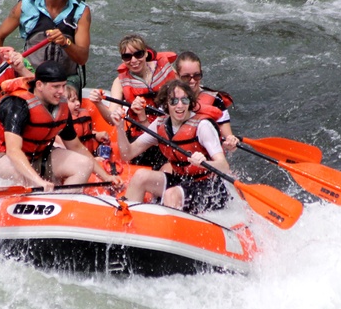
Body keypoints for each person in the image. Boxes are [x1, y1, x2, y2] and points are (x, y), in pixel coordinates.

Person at [0, 61, 120, 192]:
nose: (62, 92)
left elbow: (76, 147)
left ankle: (63, 203)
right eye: (56, 87)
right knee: (21, 176)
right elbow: (13, 151)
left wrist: (106, 177)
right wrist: (38, 181)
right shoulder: (17, 105)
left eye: (63, 86)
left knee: (84, 164)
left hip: (37, 156)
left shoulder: (60, 107)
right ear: (39, 85)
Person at [113, 79, 232, 214]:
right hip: (181, 180)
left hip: (209, 187)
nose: (180, 106)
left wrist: (204, 163)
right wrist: (120, 128)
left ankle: (169, 231)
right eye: (174, 101)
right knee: (140, 176)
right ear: (166, 104)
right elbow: (127, 154)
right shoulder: (160, 124)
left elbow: (224, 166)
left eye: (184, 100)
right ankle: (129, 222)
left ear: (190, 102)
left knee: (171, 194)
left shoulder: (203, 126)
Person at [87, 34, 177, 169]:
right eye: (127, 57)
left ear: (146, 53)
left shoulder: (165, 69)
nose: (133, 60)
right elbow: (112, 118)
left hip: (169, 130)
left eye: (138, 54)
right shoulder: (120, 82)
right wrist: (98, 103)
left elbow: (185, 97)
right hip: (141, 135)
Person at [173, 51, 239, 152]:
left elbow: (228, 138)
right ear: (177, 76)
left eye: (196, 75)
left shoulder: (216, 101)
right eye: (186, 77)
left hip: (206, 158)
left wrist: (230, 142)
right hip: (175, 155)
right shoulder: (168, 99)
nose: (192, 81)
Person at [64, 83, 109, 156]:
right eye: (73, 101)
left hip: (90, 153)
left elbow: (85, 133)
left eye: (77, 100)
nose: (78, 103)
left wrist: (96, 135)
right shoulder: (61, 125)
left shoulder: (82, 114)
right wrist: (93, 160)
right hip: (77, 159)